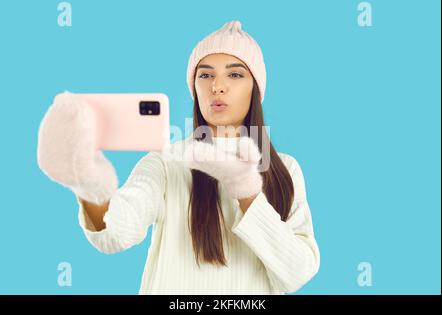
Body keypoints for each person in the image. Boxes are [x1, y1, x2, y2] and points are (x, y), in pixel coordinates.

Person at [37, 20, 320, 295]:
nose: (217, 86)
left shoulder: (285, 169)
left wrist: (247, 191)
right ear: (194, 88)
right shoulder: (166, 162)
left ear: (255, 90)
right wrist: (88, 182)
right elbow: (116, 233)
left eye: (235, 74)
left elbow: (297, 273)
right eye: (205, 74)